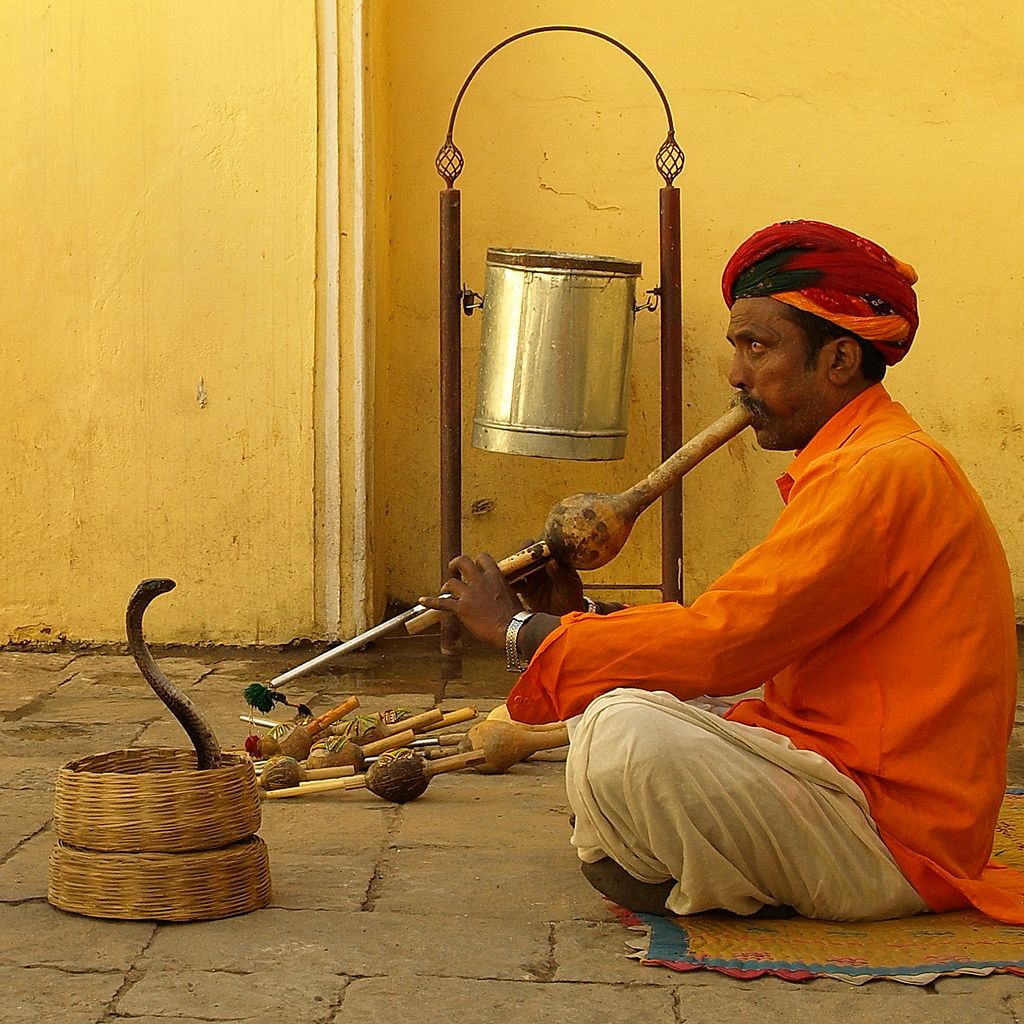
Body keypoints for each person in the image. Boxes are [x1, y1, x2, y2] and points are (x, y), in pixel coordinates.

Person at [420, 220, 1023, 924]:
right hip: (836, 768)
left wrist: (521, 629)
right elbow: (737, 638)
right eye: (737, 348)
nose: (736, 375)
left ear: (839, 359)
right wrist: (581, 621)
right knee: (626, 705)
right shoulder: (863, 459)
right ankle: (708, 863)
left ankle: (722, 872)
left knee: (622, 731)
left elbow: (723, 643)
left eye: (758, 348)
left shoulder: (882, 473)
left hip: (893, 833)